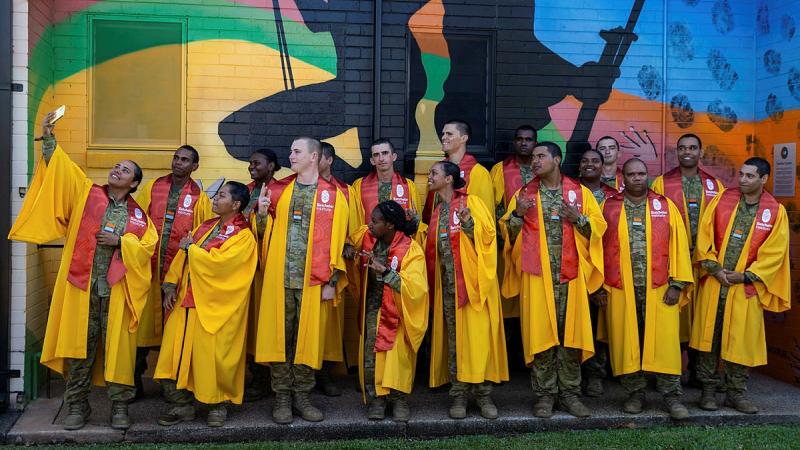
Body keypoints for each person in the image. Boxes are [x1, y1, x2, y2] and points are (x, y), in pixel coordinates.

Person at [8, 113, 157, 430]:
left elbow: (147, 249)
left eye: (126, 170)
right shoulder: (87, 193)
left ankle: (120, 407)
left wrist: (121, 242)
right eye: (117, 165)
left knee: (118, 352)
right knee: (80, 348)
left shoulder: (139, 215)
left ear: (134, 183)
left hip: (117, 292)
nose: (118, 169)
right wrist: (49, 137)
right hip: (82, 287)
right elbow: (61, 170)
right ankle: (77, 406)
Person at [499, 142, 605, 419]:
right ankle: (545, 396)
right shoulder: (524, 195)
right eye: (532, 157)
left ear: (556, 160)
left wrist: (579, 219)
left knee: (571, 337)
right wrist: (518, 216)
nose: (534, 161)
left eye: (541, 156)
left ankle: (570, 394)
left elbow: (599, 228)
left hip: (571, 278)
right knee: (542, 336)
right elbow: (507, 234)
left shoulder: (579, 193)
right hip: (537, 277)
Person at [255, 137, 349, 424]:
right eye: (291, 150)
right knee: (280, 339)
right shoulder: (278, 190)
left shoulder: (333, 196)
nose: (290, 155)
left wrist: (332, 281)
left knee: (307, 341)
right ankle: (282, 398)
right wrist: (259, 214)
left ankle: (303, 396)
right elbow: (260, 233)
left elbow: (339, 240)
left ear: (313, 157)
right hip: (280, 279)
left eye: (296, 151)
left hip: (314, 282)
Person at [690, 157, 790, 414]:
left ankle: (736, 393)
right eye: (742, 174)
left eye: (750, 176)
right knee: (708, 339)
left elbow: (775, 253)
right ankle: (708, 392)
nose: (743, 180)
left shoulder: (775, 211)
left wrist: (746, 276)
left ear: (764, 179)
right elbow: (704, 236)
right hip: (715, 283)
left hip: (745, 287)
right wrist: (714, 269)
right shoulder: (722, 200)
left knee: (740, 342)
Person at [154, 181, 257, 427]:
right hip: (186, 302)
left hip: (216, 308)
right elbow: (183, 254)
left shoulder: (243, 236)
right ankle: (182, 406)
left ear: (236, 204)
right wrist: (170, 284)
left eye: (221, 196)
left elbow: (225, 266)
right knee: (174, 357)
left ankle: (217, 406)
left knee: (213, 358)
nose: (214, 199)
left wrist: (193, 251)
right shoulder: (206, 227)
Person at [600, 158, 694, 420]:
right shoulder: (609, 206)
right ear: (624, 177)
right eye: (631, 174)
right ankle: (634, 394)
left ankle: (672, 397)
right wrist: (599, 286)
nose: (637, 178)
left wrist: (677, 284)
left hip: (660, 287)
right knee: (628, 341)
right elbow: (596, 246)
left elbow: (679, 245)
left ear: (648, 176)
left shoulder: (664, 206)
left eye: (642, 173)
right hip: (622, 288)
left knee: (664, 343)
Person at [426, 161, 508, 420]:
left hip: (474, 288)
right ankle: (459, 395)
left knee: (479, 341)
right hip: (449, 291)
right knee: (455, 344)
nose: (429, 177)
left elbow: (488, 237)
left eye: (434, 173)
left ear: (449, 179)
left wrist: (469, 223)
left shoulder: (472, 203)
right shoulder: (438, 211)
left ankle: (484, 396)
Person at [134, 145, 212, 398]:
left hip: (176, 275)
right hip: (147, 270)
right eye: (176, 158)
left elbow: (202, 236)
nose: (178, 162)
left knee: (174, 330)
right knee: (140, 328)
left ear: (195, 167)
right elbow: (137, 220)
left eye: (185, 160)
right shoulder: (154, 187)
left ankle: (174, 386)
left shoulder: (200, 197)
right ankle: (134, 380)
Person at [651, 133, 725, 382]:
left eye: (693, 147)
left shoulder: (715, 186)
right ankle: (671, 373)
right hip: (675, 264)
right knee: (675, 319)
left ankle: (700, 374)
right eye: (682, 147)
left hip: (706, 265)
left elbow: (721, 225)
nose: (687, 152)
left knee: (702, 319)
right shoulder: (662, 183)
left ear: (700, 152)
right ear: (676, 152)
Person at [347, 201, 428, 422]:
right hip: (374, 311)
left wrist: (386, 273)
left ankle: (399, 400)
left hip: (398, 314)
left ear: (390, 225)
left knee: (397, 358)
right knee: (372, 357)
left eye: (375, 221)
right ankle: (377, 400)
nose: (369, 225)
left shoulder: (411, 249)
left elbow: (417, 288)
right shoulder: (370, 242)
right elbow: (351, 247)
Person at [241, 148, 281, 402]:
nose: (252, 167)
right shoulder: (244, 191)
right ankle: (253, 374)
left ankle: (266, 378)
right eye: (250, 163)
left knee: (265, 322)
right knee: (248, 322)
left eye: (257, 163)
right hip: (242, 265)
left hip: (268, 267)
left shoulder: (282, 192)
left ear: (272, 166)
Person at [577, 148, 616, 397]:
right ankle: (571, 377)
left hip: (606, 267)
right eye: (584, 161)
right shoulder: (570, 192)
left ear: (603, 166)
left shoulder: (614, 197)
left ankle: (595, 375)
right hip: (577, 266)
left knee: (598, 325)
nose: (589, 165)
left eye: (595, 161)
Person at [315, 141, 353, 396]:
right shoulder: (297, 188)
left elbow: (352, 227)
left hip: (332, 269)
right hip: (305, 268)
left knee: (329, 327)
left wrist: (348, 245)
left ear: (328, 160)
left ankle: (325, 375)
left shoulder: (346, 191)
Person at [491, 125, 536, 321]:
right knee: (508, 299)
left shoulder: (543, 169)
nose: (524, 143)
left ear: (535, 143)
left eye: (528, 139)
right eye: (520, 139)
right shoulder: (501, 170)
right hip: (508, 242)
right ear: (514, 142)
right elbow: (492, 207)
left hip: (536, 244)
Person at [423, 120, 494, 222]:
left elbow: (485, 216)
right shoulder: (437, 170)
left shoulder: (478, 172)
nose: (443, 137)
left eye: (449, 134)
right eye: (443, 134)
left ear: (464, 138)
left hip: (462, 235)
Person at [351, 138, 423, 236]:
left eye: (385, 153)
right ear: (372, 161)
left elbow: (416, 224)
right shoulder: (359, 186)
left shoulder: (409, 186)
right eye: (376, 155)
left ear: (394, 156)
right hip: (369, 245)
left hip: (399, 246)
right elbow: (355, 221)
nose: (381, 158)